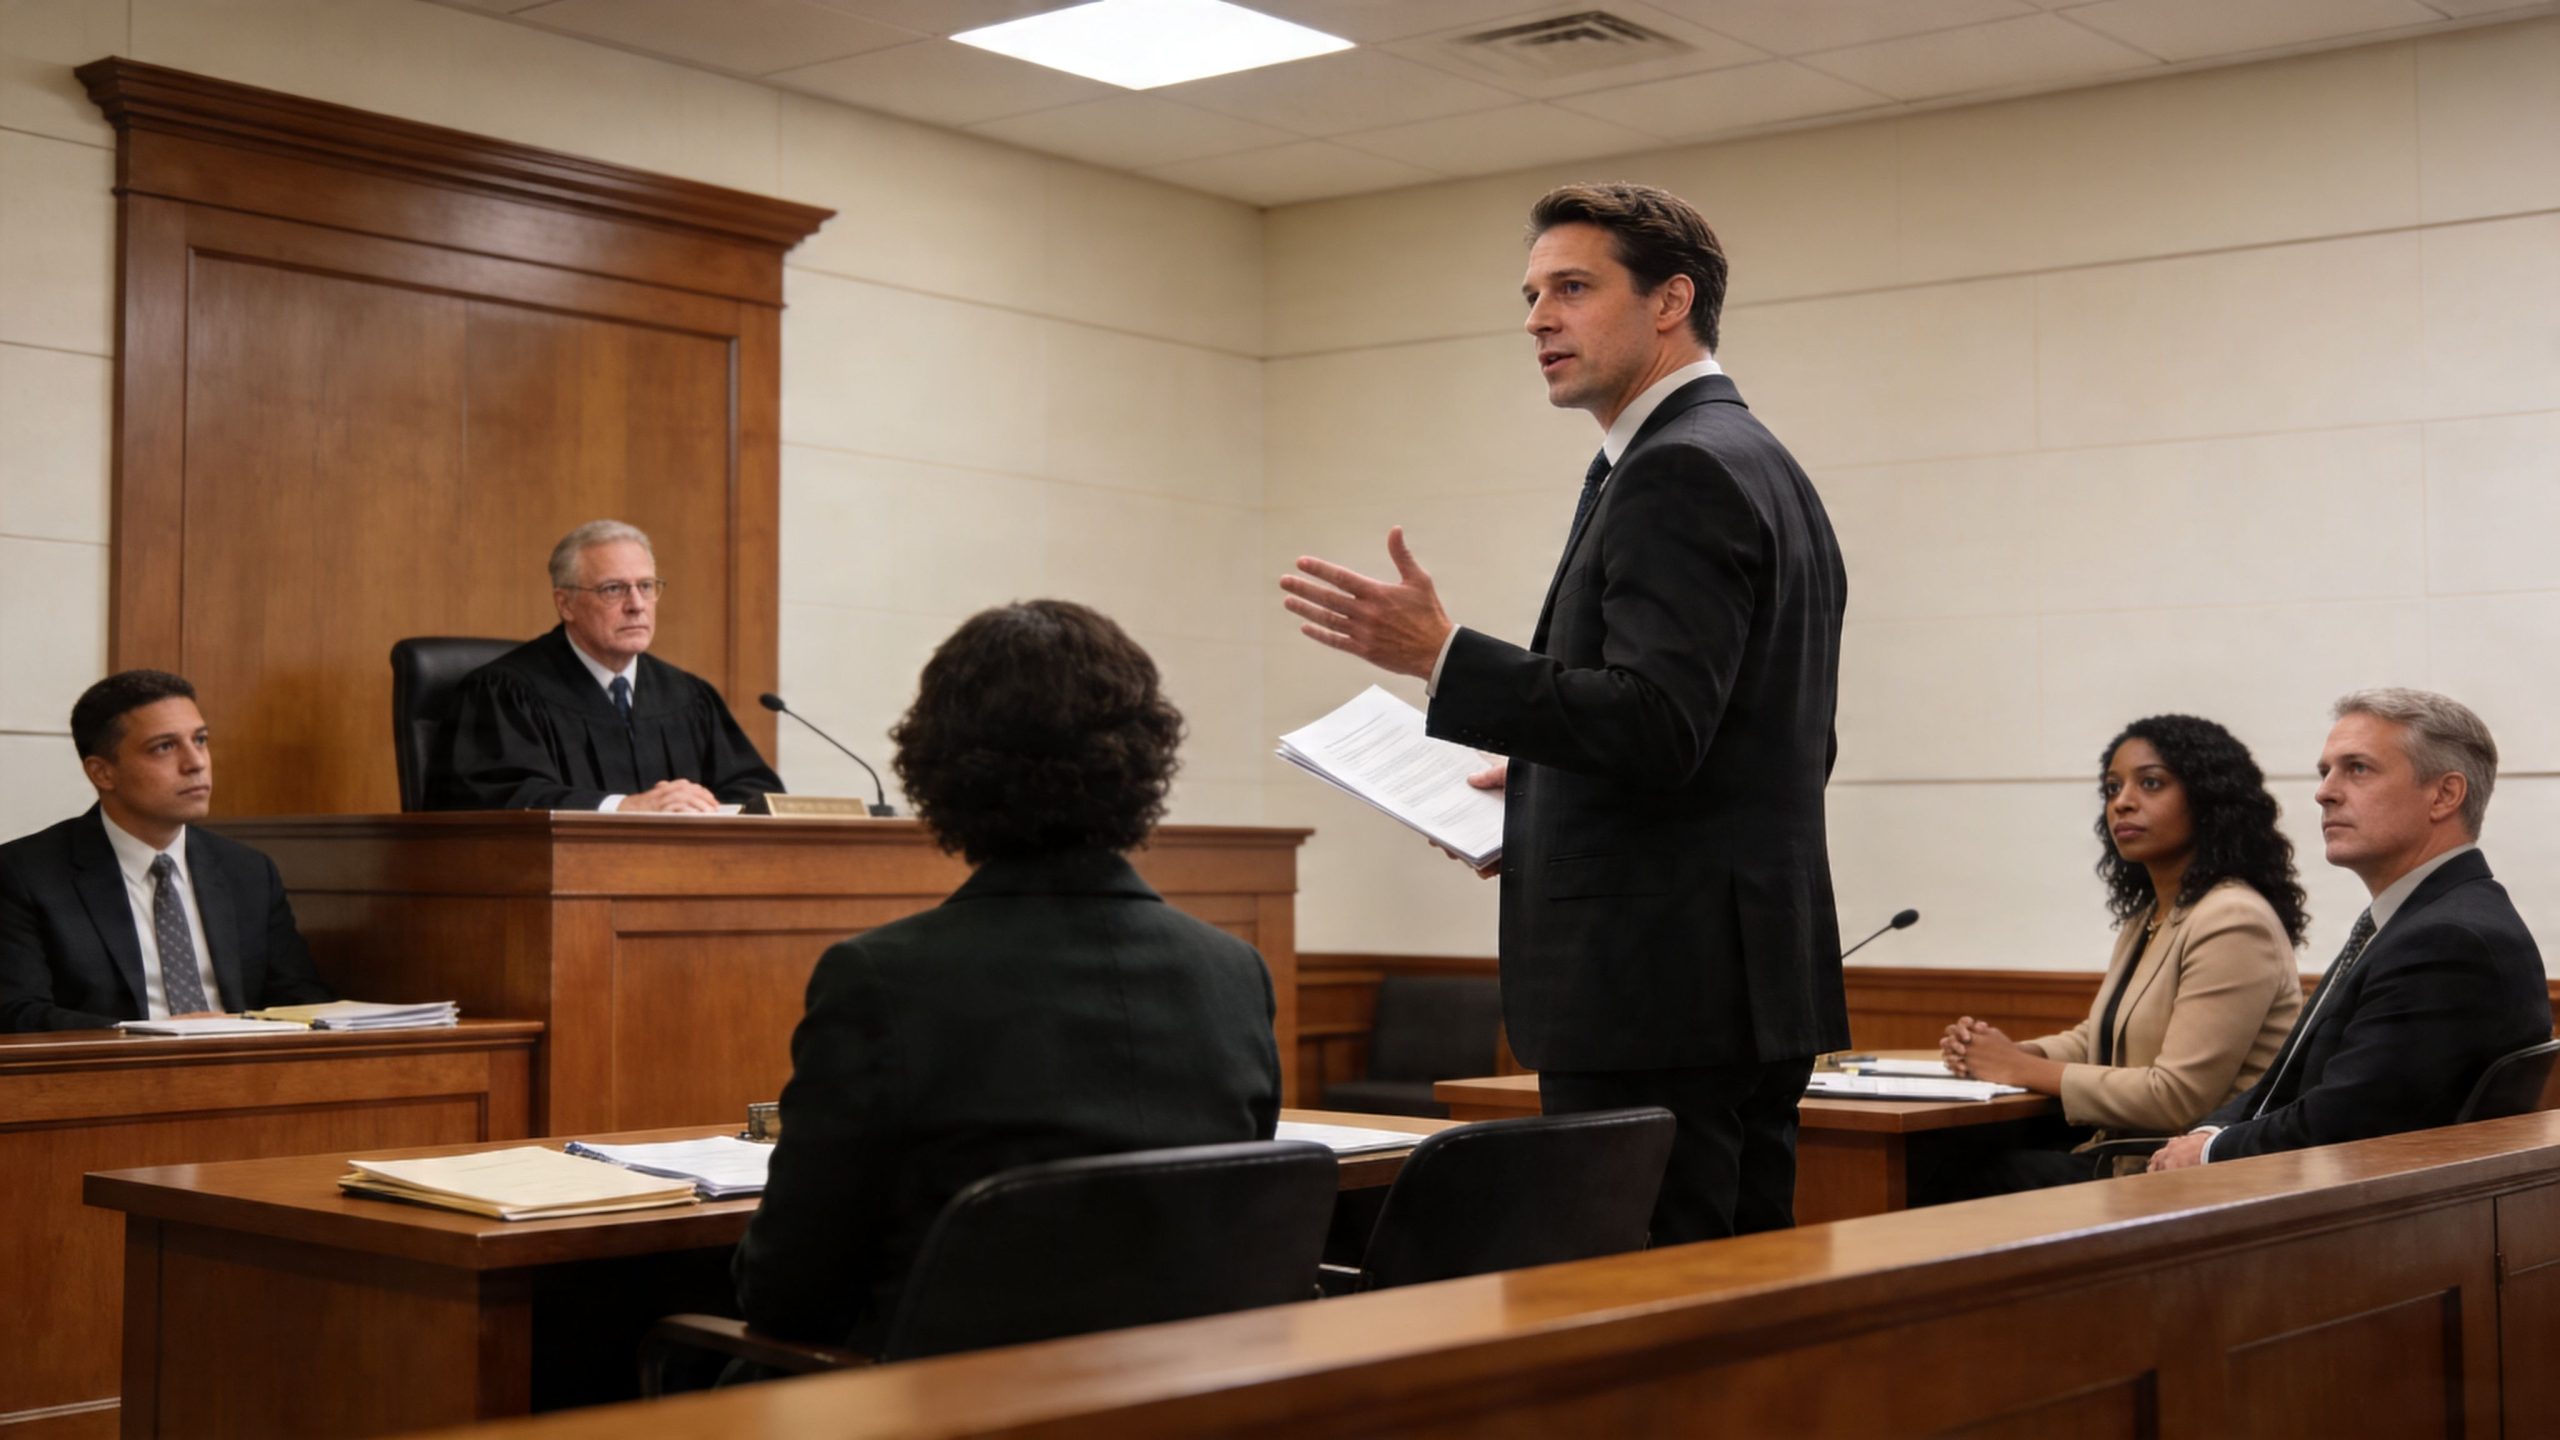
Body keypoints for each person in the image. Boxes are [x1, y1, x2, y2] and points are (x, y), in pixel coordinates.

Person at [1278, 182, 1848, 1243]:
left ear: (1671, 300)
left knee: (1654, 1309)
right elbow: (1774, 739)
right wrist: (1542, 785)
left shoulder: (1679, 468)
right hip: (1738, 978)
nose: (1538, 319)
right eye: (1532, 295)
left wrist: (1441, 655)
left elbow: (1658, 723)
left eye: (1573, 289)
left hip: (1656, 991)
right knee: (1735, 1297)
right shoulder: (1758, 462)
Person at [733, 600, 1281, 1353]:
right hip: (1185, 1388)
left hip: (946, 1397)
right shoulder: (1233, 972)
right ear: (1143, 760)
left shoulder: (882, 979)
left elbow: (789, 1293)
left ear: (940, 765)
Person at [2151, 689, 2550, 1172]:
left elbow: (2344, 1125)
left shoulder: (2448, 939)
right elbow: (2283, 1084)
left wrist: (2208, 1153)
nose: (2325, 792)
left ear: (2444, 795)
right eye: (2326, 771)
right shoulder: (2414, 919)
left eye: (2358, 768)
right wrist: (2208, 1134)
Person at [1930, 716, 2306, 1196]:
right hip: (2126, 1159)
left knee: (1948, 1177)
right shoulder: (2153, 914)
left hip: (2186, 1180)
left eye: (2151, 783)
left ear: (2209, 800)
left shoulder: (2233, 919)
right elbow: (2103, 1036)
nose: (2122, 802)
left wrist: (2018, 1069)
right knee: (1943, 1156)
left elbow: (2174, 1098)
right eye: (2112, 788)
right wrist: (2013, 1053)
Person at [0, 670, 334, 1031]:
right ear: (102, 773)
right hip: (116, 1063)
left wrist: (240, 1026)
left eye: (200, 740)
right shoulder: (26, 874)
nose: (196, 763)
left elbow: (303, 1000)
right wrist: (149, 1036)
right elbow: (17, 1013)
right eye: (164, 747)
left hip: (239, 1060)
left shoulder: (249, 871)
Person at [435, 519, 781, 812]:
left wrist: (705, 807)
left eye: (646, 586)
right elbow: (500, 799)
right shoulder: (506, 693)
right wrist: (622, 807)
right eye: (613, 589)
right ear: (565, 604)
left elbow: (757, 791)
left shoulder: (688, 696)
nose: (636, 604)